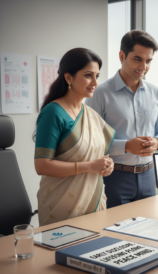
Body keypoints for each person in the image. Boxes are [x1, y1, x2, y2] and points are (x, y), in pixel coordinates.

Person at [86, 30, 158, 208]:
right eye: (137, 59)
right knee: (114, 233)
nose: (143, 66)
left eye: (148, 61)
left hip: (148, 176)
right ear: (122, 56)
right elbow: (90, 140)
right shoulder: (100, 93)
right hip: (114, 177)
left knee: (148, 230)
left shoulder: (156, 93)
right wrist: (125, 146)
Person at [34, 48, 115, 226]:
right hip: (61, 205)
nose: (95, 82)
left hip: (93, 200)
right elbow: (41, 165)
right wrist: (90, 166)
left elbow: (97, 155)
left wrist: (107, 165)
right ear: (68, 77)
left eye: (97, 76)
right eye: (88, 75)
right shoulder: (53, 112)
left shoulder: (91, 114)